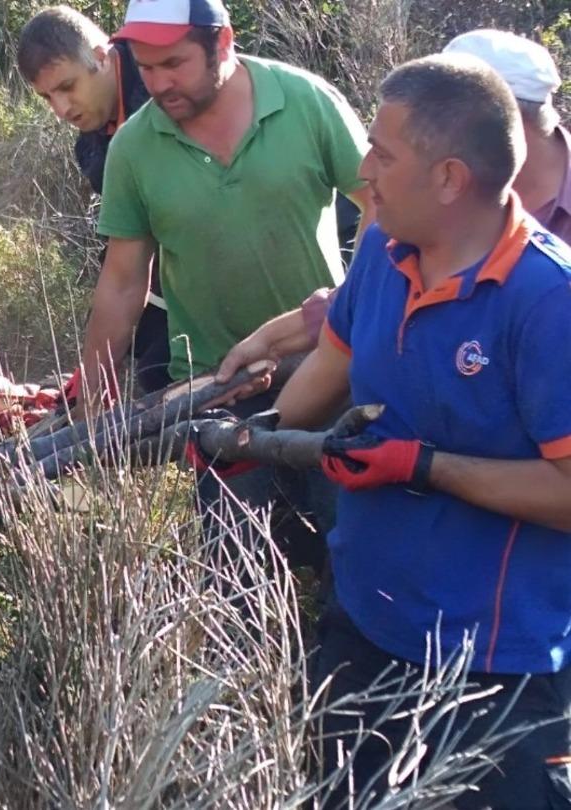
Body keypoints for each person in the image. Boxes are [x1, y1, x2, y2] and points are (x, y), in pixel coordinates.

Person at [274, 54, 571, 806]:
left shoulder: (548, 302)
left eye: (383, 152)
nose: (364, 170)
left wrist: (425, 466)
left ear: (449, 178)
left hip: (493, 672)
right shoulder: (381, 248)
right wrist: (247, 440)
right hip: (365, 630)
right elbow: (332, 363)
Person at [74, 0, 373, 563]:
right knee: (238, 572)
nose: (159, 83)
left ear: (224, 43)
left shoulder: (304, 101)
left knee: (352, 553)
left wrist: (354, 306)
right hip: (217, 391)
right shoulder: (134, 148)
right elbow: (121, 283)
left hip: (328, 370)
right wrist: (92, 399)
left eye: (175, 64)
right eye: (145, 67)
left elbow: (383, 206)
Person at [217, 29, 571, 381]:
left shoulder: (550, 274)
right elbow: (366, 300)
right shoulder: (430, 205)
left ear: (500, 122)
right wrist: (270, 341)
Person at [17, 5, 170, 392]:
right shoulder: (93, 144)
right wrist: (95, 368)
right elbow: (129, 249)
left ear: (102, 57)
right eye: (47, 97)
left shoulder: (164, 90)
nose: (61, 110)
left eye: (67, 87)